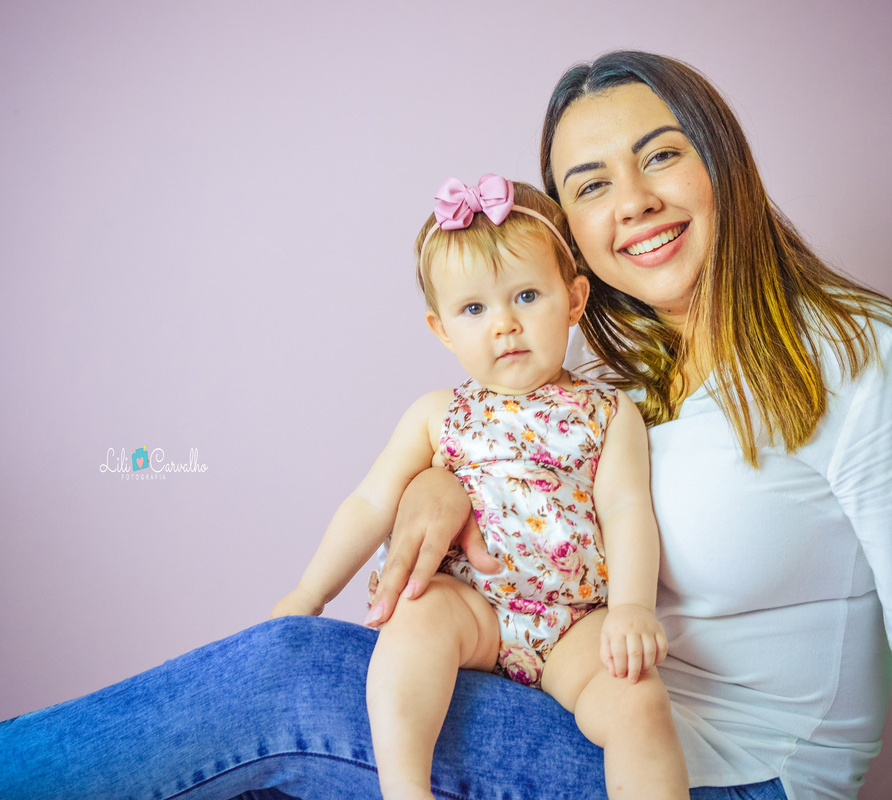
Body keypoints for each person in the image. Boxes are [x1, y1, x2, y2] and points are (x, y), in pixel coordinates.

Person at [0, 51, 892, 800]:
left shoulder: (869, 364)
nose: (630, 200)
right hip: (566, 710)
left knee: (283, 676)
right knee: (307, 676)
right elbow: (536, 506)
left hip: (723, 779)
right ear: (573, 244)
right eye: (588, 183)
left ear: (725, 165)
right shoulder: (640, 374)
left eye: (660, 154)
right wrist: (436, 507)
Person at [270, 173, 688, 800]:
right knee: (415, 618)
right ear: (442, 329)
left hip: (571, 621)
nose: (504, 325)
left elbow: (627, 511)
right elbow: (371, 502)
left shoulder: (609, 413)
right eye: (474, 309)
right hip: (472, 607)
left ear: (573, 300)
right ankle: (405, 789)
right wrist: (309, 591)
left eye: (526, 295)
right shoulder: (437, 412)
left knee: (639, 702)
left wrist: (631, 608)